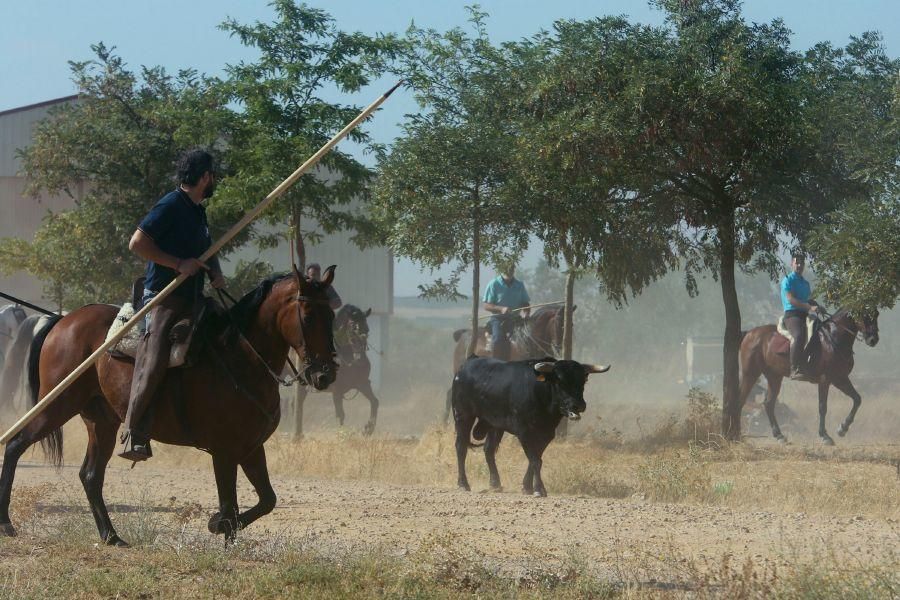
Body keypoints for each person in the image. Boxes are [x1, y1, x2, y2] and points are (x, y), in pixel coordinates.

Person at [118, 148, 225, 462]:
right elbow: (137, 243)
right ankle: (134, 431)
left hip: (193, 298)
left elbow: (206, 249)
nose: (214, 179)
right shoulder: (171, 204)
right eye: (213, 174)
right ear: (205, 176)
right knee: (156, 355)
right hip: (163, 297)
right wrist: (178, 263)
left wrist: (215, 271)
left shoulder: (198, 211)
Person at [780, 254, 822, 380]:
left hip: (804, 314)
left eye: (801, 263)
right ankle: (794, 369)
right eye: (796, 263)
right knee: (798, 336)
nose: (799, 265)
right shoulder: (787, 280)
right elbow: (791, 300)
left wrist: (817, 306)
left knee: (821, 331)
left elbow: (809, 300)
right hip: (792, 315)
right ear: (792, 264)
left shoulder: (805, 283)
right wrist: (810, 308)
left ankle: (811, 364)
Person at [482, 265, 530, 360]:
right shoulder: (494, 284)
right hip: (498, 319)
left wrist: (526, 313)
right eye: (506, 268)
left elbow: (526, 303)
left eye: (510, 269)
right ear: (501, 269)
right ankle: (496, 364)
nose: (508, 271)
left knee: (527, 339)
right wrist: (501, 309)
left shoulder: (519, 285)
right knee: (498, 339)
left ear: (513, 270)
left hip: (515, 319)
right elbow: (486, 306)